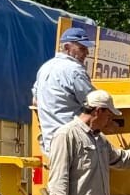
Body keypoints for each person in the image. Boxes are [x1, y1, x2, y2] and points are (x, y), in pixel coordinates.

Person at [32, 26, 95, 158]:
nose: (86, 53)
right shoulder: (74, 70)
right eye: (82, 49)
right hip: (74, 144)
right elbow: (94, 103)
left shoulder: (44, 68)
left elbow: (35, 101)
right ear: (67, 47)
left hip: (51, 144)